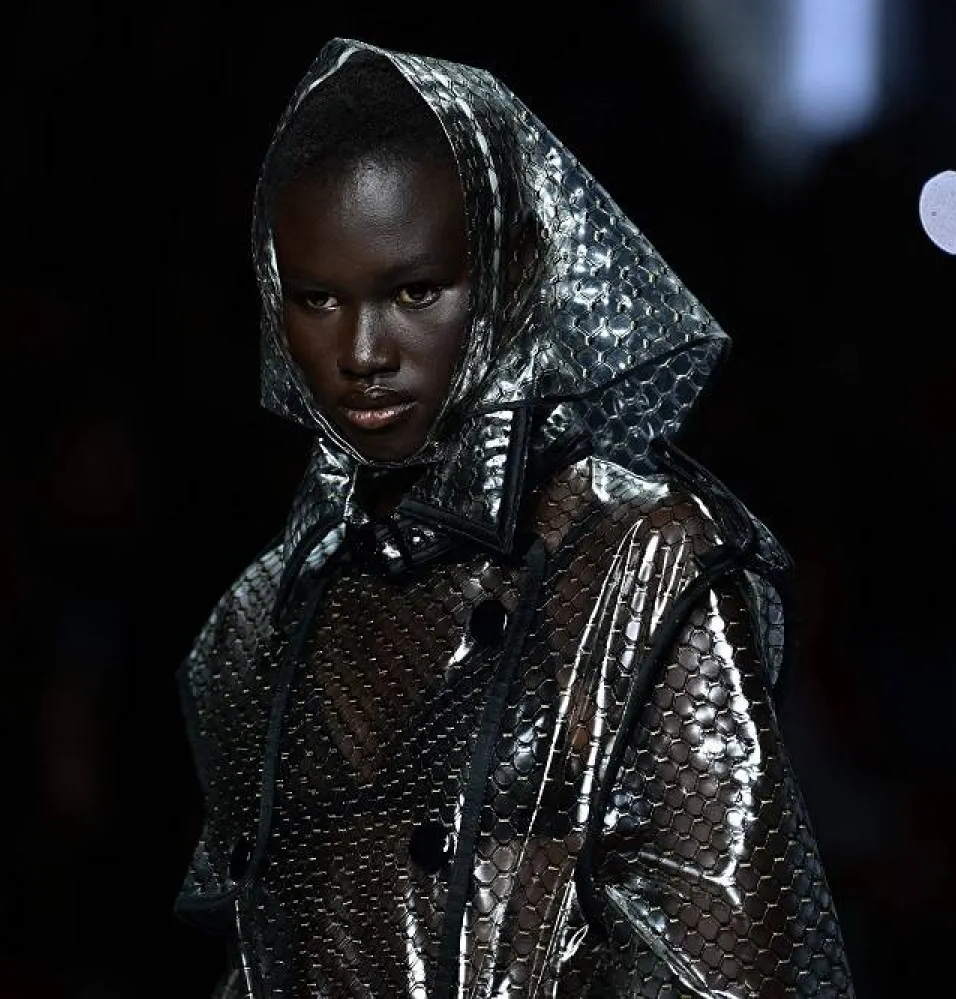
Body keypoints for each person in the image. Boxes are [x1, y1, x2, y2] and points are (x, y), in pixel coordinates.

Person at [172, 37, 856, 999]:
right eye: (316, 298)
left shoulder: (639, 564)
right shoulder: (255, 629)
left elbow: (737, 968)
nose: (363, 351)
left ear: (512, 267)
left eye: (415, 291)